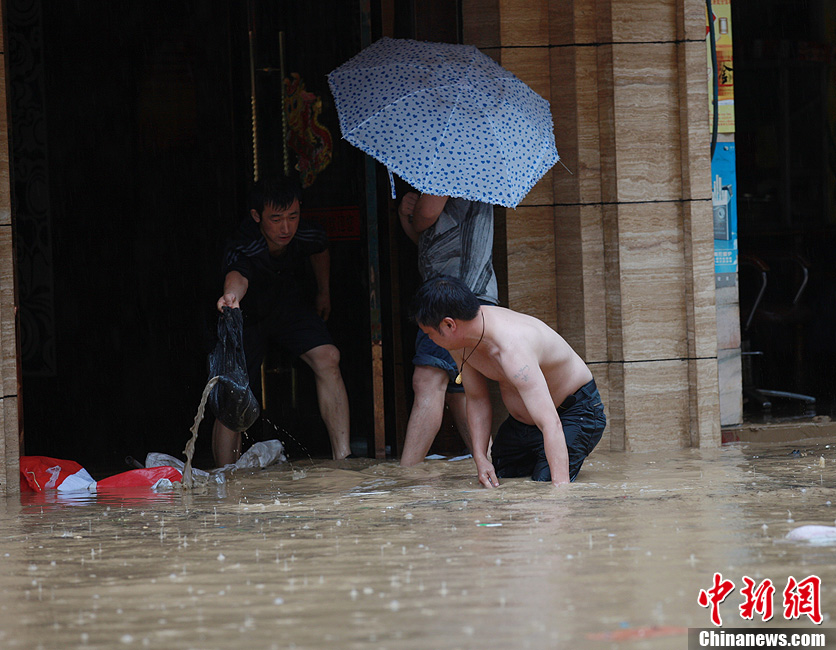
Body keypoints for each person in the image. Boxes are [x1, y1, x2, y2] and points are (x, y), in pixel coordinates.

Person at [410, 275, 606, 487]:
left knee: (544, 486)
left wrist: (560, 500)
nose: (430, 340)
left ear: (449, 325)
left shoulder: (513, 347)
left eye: (429, 333)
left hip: (574, 414)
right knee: (500, 478)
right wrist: (480, 458)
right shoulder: (460, 344)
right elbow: (477, 399)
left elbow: (551, 423)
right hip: (522, 425)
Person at [213, 175, 351, 466]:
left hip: (288, 308)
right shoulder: (244, 244)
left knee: (329, 357)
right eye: (276, 219)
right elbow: (237, 276)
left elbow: (320, 248)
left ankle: (343, 457)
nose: (286, 227)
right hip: (246, 314)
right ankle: (225, 475)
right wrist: (230, 297)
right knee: (234, 389)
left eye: (293, 216)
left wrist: (324, 291)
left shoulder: (305, 233)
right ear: (256, 216)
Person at [396, 192, 498, 466]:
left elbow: (426, 215)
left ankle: (407, 473)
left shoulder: (449, 158)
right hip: (472, 291)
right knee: (460, 389)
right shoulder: (474, 166)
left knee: (428, 378)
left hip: (452, 296)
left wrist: (413, 213)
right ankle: (494, 466)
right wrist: (407, 219)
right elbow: (429, 243)